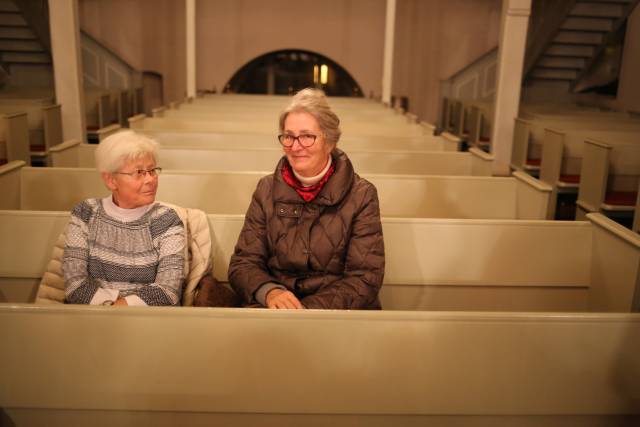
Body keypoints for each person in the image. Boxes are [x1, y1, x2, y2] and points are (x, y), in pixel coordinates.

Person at [228, 88, 385, 309]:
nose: (295, 146)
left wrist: (306, 312)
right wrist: (270, 292)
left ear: (329, 141)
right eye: (289, 136)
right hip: (274, 310)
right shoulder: (266, 188)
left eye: (307, 136)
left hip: (336, 314)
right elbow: (243, 264)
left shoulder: (362, 194)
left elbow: (364, 278)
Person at [63, 130, 185, 306]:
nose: (150, 179)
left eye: (152, 170)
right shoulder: (85, 213)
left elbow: (168, 290)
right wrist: (108, 310)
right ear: (111, 180)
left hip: (147, 322)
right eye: (139, 172)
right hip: (91, 317)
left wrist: (119, 309)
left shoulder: (166, 220)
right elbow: (74, 283)